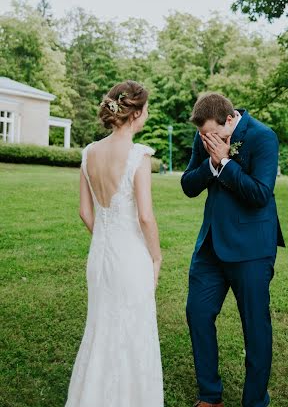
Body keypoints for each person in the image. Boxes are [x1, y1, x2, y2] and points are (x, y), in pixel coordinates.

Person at [181, 92, 285, 407]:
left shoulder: (263, 137)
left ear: (230, 120)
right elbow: (188, 185)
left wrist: (225, 163)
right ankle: (210, 396)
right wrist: (211, 165)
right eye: (202, 135)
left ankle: (255, 401)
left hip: (252, 247)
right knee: (197, 313)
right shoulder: (206, 135)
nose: (206, 139)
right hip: (211, 245)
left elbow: (259, 194)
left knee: (255, 326)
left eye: (211, 134)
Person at [65, 80, 163, 407]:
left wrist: (106, 239)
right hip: (132, 258)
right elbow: (146, 217)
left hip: (100, 258)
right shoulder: (139, 156)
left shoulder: (89, 152)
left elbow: (84, 211)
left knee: (101, 331)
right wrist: (156, 257)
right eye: (146, 108)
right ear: (135, 113)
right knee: (134, 336)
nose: (148, 114)